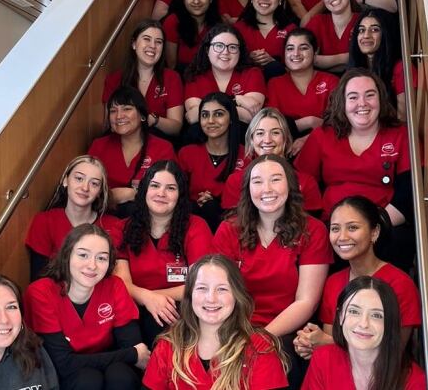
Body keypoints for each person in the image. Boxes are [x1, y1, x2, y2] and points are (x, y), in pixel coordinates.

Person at [212, 154, 331, 388]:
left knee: (278, 359)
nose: (267, 188)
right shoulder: (229, 229)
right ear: (247, 189)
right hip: (234, 325)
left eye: (275, 179)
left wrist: (261, 337)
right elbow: (218, 291)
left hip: (284, 331)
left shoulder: (313, 231)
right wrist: (238, 335)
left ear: (291, 185)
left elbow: (306, 302)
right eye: (257, 181)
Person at [295, 68, 414, 272]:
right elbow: (302, 186)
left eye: (370, 95)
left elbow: (408, 193)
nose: (362, 103)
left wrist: (371, 228)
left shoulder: (400, 134)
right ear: (343, 103)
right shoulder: (322, 136)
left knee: (400, 240)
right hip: (331, 228)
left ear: (381, 99)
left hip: (384, 228)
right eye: (353, 97)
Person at [293, 196, 421, 358]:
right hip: (339, 373)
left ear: (374, 232)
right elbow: (331, 346)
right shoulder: (333, 282)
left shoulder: (400, 283)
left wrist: (327, 343)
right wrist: (310, 344)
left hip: (382, 379)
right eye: (335, 229)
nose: (342, 237)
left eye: (352, 228)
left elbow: (394, 353)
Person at [24, 224, 149, 390]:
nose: (92, 265)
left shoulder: (114, 286)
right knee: (88, 379)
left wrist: (132, 354)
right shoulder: (41, 292)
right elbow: (62, 363)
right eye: (83, 255)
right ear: (67, 255)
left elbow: (132, 345)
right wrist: (131, 355)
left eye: (102, 258)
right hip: (68, 375)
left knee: (120, 375)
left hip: (111, 367)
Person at [143, 254, 288, 390]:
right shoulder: (168, 347)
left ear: (237, 296)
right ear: (190, 295)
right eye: (202, 288)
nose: (211, 298)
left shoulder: (260, 348)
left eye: (222, 289)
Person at [109, 160, 213, 347]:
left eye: (171, 188)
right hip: (133, 307)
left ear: (180, 195)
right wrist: (148, 299)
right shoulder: (123, 228)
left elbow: (201, 283)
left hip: (180, 308)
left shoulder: (196, 227)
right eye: (155, 186)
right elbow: (122, 283)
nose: (161, 194)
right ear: (144, 191)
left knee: (163, 321)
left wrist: (156, 299)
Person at [300, 276, 427, 390]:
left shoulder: (414, 381)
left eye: (376, 315)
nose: (363, 324)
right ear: (340, 316)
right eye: (354, 312)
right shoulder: (324, 358)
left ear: (390, 322)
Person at [25, 155, 119, 281]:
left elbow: (114, 279)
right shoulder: (45, 221)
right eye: (79, 178)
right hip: (56, 296)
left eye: (94, 183)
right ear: (65, 180)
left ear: (100, 192)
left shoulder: (114, 225)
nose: (85, 188)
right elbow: (39, 279)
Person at [88, 87, 176, 218]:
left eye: (126, 109)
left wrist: (131, 194)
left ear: (142, 115)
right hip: (103, 216)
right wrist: (108, 197)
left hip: (148, 219)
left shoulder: (163, 148)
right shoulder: (99, 145)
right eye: (113, 111)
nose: (119, 116)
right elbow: (85, 185)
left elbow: (171, 191)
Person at [221, 108, 323, 213]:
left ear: (286, 138)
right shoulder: (235, 182)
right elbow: (232, 225)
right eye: (260, 133)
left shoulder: (306, 182)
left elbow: (311, 226)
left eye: (275, 133)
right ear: (251, 140)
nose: (267, 140)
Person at [102, 20, 183, 139]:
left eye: (158, 42)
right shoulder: (114, 79)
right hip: (122, 141)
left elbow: (176, 127)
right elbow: (109, 124)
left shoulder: (172, 77)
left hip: (157, 142)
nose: (153, 46)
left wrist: (154, 120)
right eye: (147, 39)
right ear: (134, 44)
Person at [178, 92, 246, 231]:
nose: (210, 120)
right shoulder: (187, 153)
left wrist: (216, 201)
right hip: (192, 221)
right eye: (205, 115)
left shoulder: (247, 155)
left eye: (218, 114)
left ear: (231, 118)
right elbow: (177, 193)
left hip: (233, 224)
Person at [184, 23, 266, 132]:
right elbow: (193, 117)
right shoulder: (195, 76)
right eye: (219, 46)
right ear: (207, 50)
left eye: (232, 47)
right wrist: (237, 100)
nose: (225, 52)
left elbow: (249, 116)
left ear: (239, 52)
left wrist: (210, 110)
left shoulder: (253, 73)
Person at [266, 28, 340, 150]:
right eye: (290, 48)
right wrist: (308, 122)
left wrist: (309, 139)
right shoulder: (274, 84)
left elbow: (339, 123)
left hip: (326, 145)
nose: (296, 53)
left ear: (315, 51)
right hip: (286, 147)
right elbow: (272, 126)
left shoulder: (331, 81)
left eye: (303, 48)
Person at [348, 8, 416, 121]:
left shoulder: (401, 68)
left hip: (389, 132)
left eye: (374, 30)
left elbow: (402, 119)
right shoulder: (355, 68)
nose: (366, 35)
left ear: (386, 34)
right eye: (361, 30)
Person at [235, 0, 296, 80]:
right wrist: (248, 59)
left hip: (281, 90)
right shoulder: (237, 29)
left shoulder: (291, 30)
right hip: (246, 90)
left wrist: (275, 64)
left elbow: (300, 70)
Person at [163, 0, 223, 74]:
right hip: (181, 78)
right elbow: (171, 66)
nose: (196, 1)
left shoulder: (218, 24)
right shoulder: (173, 21)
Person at [304, 0, 359, 71]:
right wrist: (346, 58)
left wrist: (326, 61)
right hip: (324, 84)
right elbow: (304, 57)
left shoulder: (363, 21)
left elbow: (368, 58)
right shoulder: (318, 22)